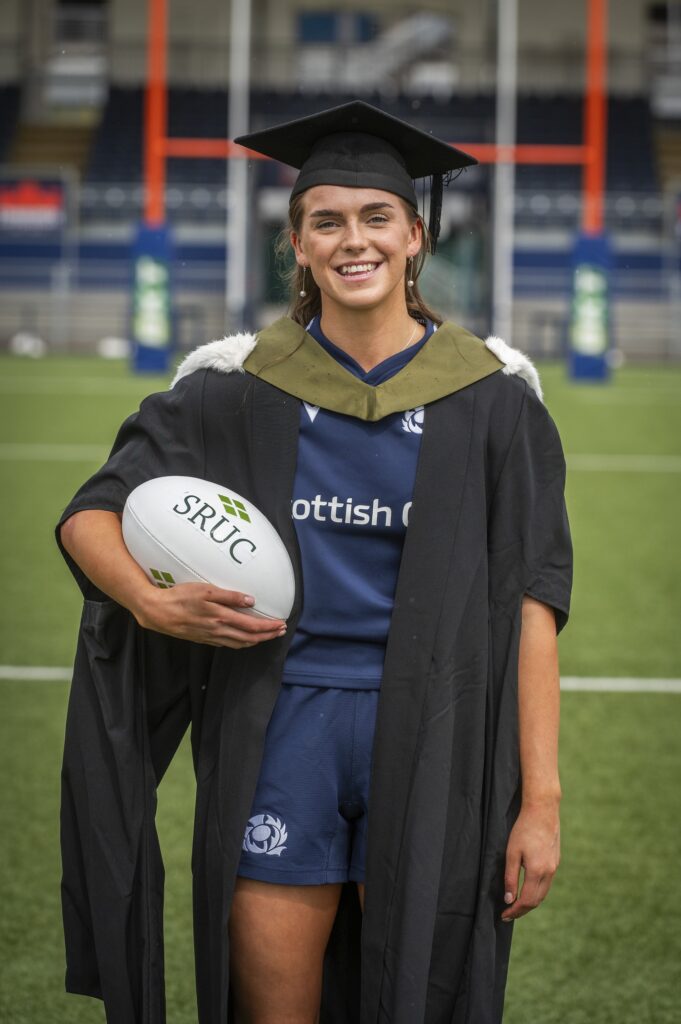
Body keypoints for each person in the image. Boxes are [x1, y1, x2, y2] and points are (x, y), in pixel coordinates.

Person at [57, 101, 572, 1024]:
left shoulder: (493, 403)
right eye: (325, 221)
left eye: (376, 218)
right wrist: (148, 601)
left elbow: (534, 602)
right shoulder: (232, 388)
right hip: (277, 728)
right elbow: (93, 514)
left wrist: (541, 799)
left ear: (416, 236)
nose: (352, 240)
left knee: (414, 997)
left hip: (436, 735)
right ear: (296, 244)